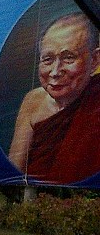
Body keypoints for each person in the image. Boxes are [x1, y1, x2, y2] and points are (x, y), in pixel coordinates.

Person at [8, 12, 100, 184]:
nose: (55, 71)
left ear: (95, 60)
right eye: (48, 59)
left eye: (68, 57)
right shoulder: (33, 101)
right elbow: (13, 171)